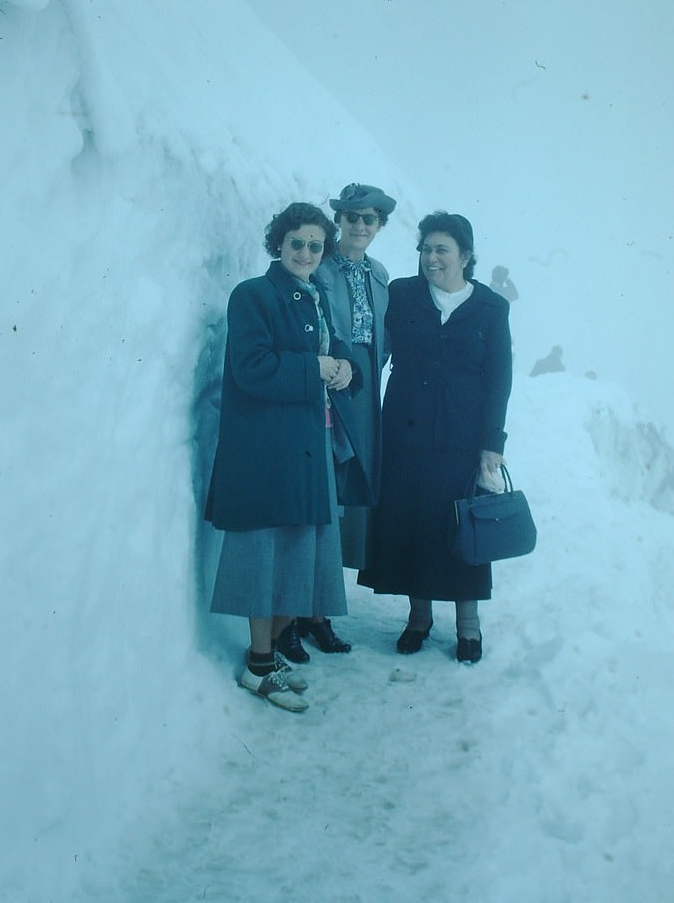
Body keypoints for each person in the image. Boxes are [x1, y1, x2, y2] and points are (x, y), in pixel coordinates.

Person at [204, 202, 370, 710]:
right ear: (279, 243)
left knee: (300, 550)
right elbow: (252, 368)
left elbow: (339, 353)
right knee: (265, 550)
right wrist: (317, 367)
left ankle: (270, 651)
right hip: (266, 448)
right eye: (296, 242)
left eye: (315, 245)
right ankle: (258, 665)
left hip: (308, 445)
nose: (305, 252)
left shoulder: (316, 295)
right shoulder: (253, 295)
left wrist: (346, 370)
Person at [358, 211, 513, 663]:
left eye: (441, 249)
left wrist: (492, 442)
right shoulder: (403, 295)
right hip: (405, 434)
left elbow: (498, 380)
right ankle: (419, 618)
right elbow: (377, 352)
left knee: (463, 526)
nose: (431, 258)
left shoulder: (490, 308)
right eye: (425, 249)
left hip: (463, 439)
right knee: (411, 523)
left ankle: (469, 624)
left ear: (465, 255)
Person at [283, 183, 396, 659]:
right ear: (339, 222)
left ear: (378, 226)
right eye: (351, 217)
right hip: (330, 388)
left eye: (368, 218)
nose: (359, 226)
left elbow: (381, 340)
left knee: (344, 502)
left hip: (362, 391)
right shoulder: (318, 267)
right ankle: (296, 614)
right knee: (320, 496)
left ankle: (317, 610)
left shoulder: (379, 274)